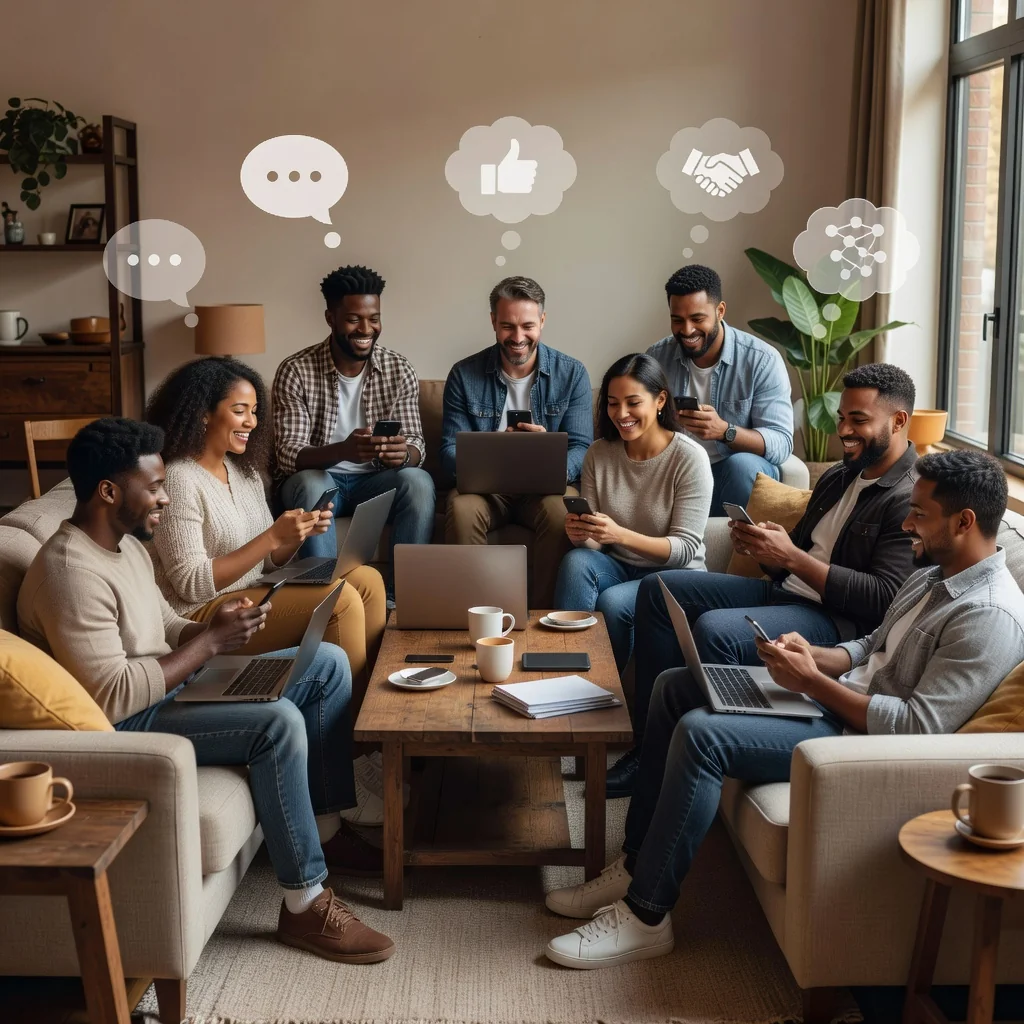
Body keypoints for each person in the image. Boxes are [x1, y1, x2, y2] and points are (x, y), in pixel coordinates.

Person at [543, 449, 1024, 970]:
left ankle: (646, 916)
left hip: (858, 739)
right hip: (838, 698)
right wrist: (816, 656)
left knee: (703, 735)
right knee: (675, 687)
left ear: (965, 521)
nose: (907, 523)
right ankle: (636, 863)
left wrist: (814, 684)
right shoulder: (933, 573)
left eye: (919, 514)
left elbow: (916, 727)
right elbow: (872, 645)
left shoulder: (987, 615)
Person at [17, 418, 395, 963]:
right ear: (108, 492)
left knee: (327, 664)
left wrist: (207, 630)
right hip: (131, 724)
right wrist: (211, 645)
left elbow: (165, 621)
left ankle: (325, 823)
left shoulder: (120, 545)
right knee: (277, 724)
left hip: (169, 685)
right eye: (155, 487)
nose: (165, 500)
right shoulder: (70, 572)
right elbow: (112, 697)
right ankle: (305, 902)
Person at [608, 362, 919, 798]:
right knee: (660, 587)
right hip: (785, 591)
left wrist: (791, 557)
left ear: (899, 421)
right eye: (842, 417)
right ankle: (647, 747)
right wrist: (767, 549)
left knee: (716, 629)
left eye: (858, 420)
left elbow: (883, 599)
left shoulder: (910, 496)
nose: (844, 430)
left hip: (834, 620)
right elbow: (800, 553)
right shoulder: (838, 474)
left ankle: (695, 761)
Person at [145, 356, 386, 710]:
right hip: (203, 617)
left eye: (255, 412)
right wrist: (272, 536)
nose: (252, 423)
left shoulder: (243, 473)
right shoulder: (180, 478)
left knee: (367, 580)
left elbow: (268, 564)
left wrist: (295, 535)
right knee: (342, 599)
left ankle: (374, 711)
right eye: (240, 410)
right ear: (203, 414)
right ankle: (352, 733)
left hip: (252, 592)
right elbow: (191, 584)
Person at [273, 265, 436, 603]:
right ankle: (327, 598)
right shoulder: (296, 370)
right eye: (353, 319)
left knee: (418, 482)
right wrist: (343, 451)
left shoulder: (398, 368)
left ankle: (399, 602)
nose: (366, 329)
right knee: (312, 483)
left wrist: (403, 455)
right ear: (330, 317)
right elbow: (288, 455)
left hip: (373, 485)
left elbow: (418, 445)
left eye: (374, 318)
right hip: (320, 480)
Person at [553, 353, 712, 669]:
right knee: (577, 560)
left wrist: (618, 534)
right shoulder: (599, 453)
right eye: (613, 403)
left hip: (674, 578)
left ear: (660, 400)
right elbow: (598, 544)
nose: (621, 413)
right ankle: (565, 668)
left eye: (632, 402)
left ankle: (599, 685)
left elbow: (683, 551)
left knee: (614, 602)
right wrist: (584, 535)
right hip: (621, 568)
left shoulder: (689, 458)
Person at [441, 276, 593, 607]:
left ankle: (541, 618)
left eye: (527, 325)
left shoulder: (572, 374)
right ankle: (471, 618)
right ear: (494, 322)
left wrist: (546, 457)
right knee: (461, 508)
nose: (518, 337)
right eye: (508, 326)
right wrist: (496, 450)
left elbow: (582, 448)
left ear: (542, 321)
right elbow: (448, 452)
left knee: (560, 513)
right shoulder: (463, 375)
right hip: (486, 491)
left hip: (544, 490)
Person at [647, 264, 794, 516]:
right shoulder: (657, 358)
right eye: (677, 320)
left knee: (742, 465)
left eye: (697, 319)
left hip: (732, 473)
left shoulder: (762, 360)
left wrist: (725, 432)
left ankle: (739, 550)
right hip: (677, 473)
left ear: (720, 311)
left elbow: (781, 443)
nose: (687, 330)